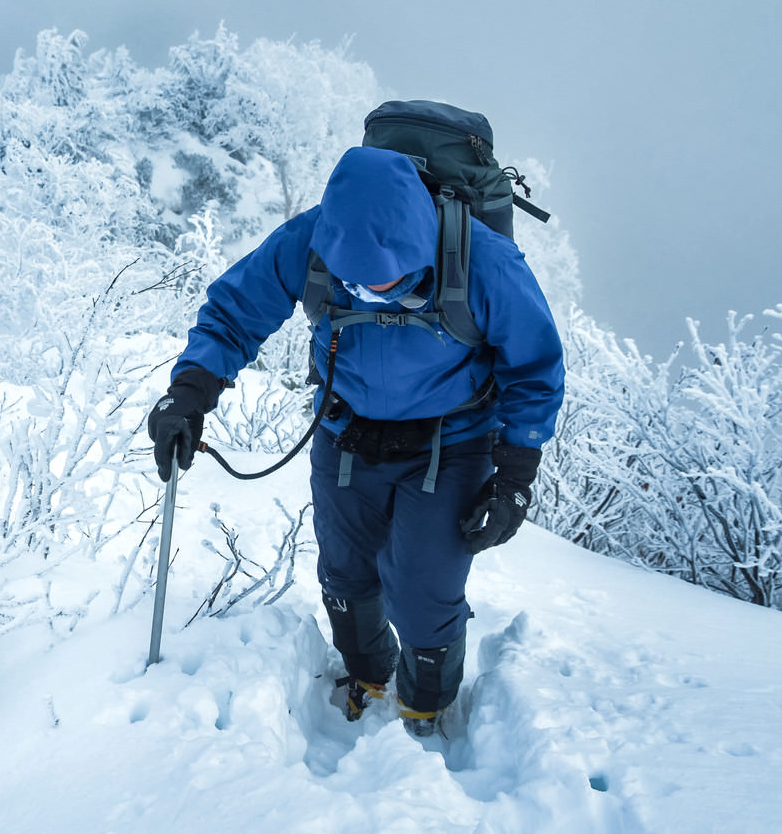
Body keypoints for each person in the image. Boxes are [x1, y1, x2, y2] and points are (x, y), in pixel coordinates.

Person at [147, 138, 564, 737]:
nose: (367, 294)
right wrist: (190, 390)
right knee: (345, 579)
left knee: (424, 590)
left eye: (386, 283)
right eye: (355, 283)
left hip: (452, 443)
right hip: (346, 433)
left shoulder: (486, 264)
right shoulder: (313, 241)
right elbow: (236, 311)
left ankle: (425, 707)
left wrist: (515, 477)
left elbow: (535, 368)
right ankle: (367, 675)